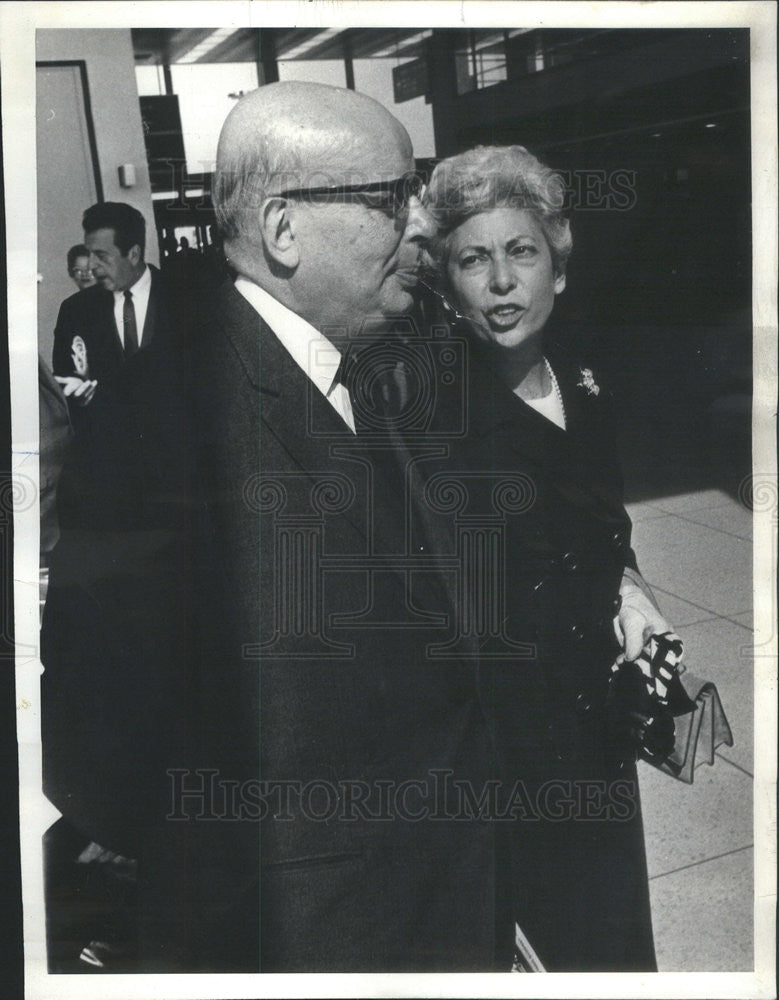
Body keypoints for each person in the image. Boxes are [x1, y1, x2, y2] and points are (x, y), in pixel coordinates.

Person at [41, 82, 528, 973]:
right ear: (282, 229)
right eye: (391, 198)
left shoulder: (369, 368)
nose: (421, 226)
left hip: (447, 908)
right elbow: (93, 751)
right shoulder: (156, 428)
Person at [413, 144, 675, 970]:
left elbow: (600, 522)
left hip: (596, 738)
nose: (500, 283)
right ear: (447, 284)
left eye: (521, 253)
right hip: (506, 769)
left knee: (616, 949)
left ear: (556, 269)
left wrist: (630, 593)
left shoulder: (582, 378)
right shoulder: (432, 415)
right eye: (473, 259)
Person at [51, 202, 172, 408]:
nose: (91, 265)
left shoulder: (184, 300)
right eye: (89, 254)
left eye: (100, 255)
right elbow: (64, 378)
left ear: (133, 254)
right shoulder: (75, 310)